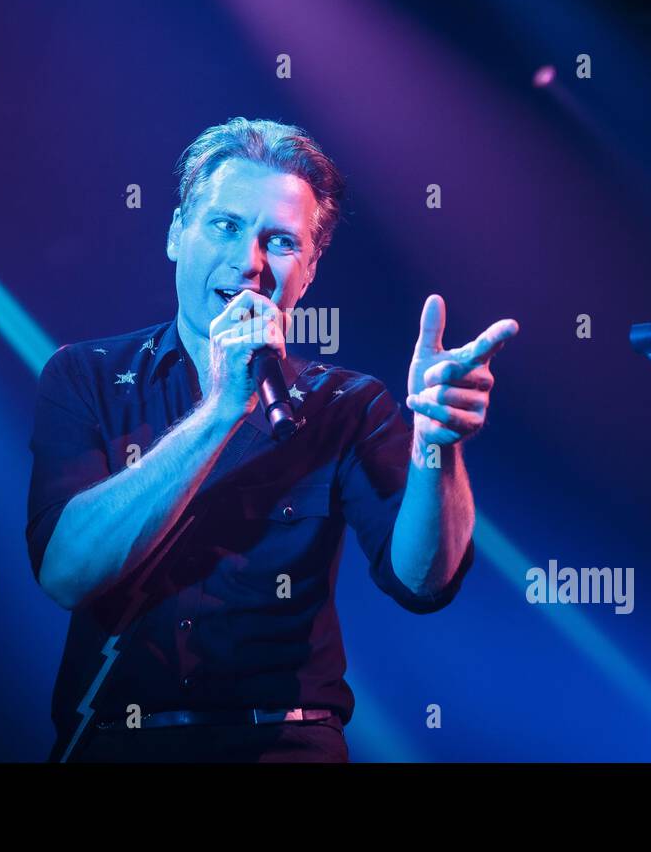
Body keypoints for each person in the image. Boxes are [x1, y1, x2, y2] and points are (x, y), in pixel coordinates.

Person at [27, 117, 519, 762]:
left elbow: (423, 583)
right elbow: (66, 574)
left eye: (280, 241)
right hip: (120, 742)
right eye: (225, 226)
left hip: (285, 744)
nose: (249, 263)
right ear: (177, 233)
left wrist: (438, 444)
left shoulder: (347, 404)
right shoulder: (86, 375)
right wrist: (221, 409)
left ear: (309, 271)